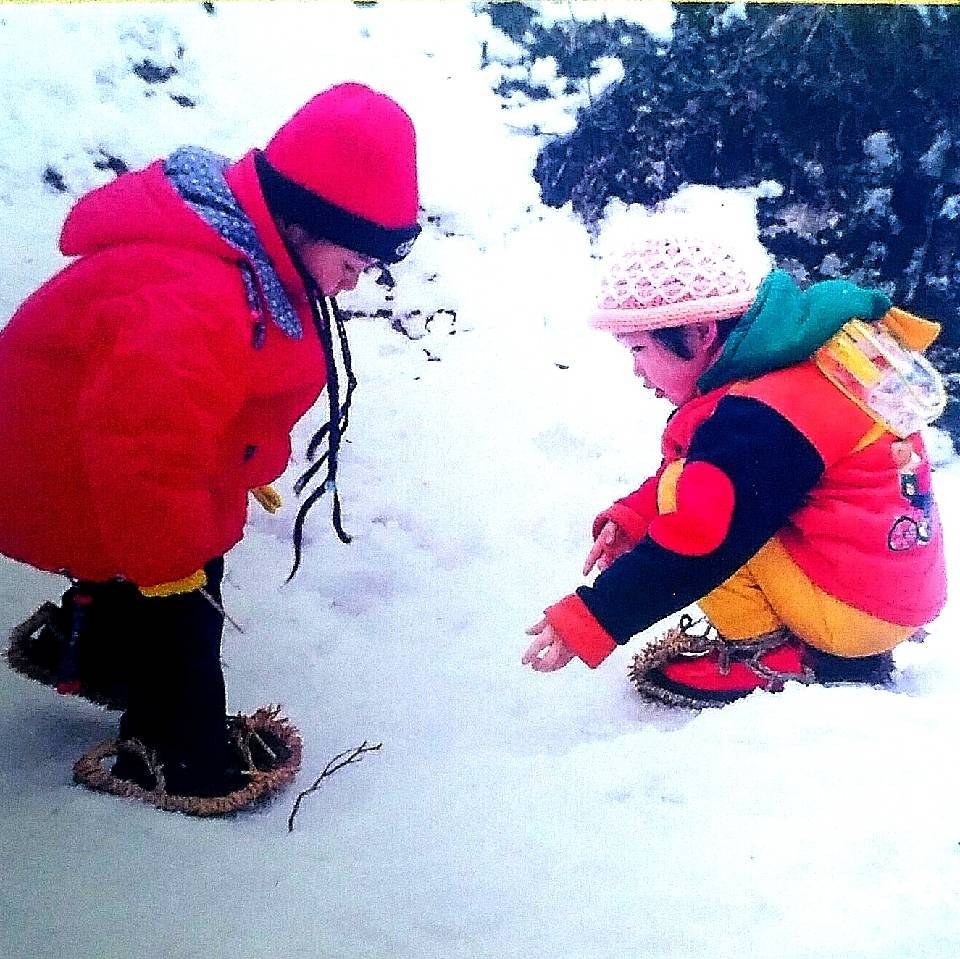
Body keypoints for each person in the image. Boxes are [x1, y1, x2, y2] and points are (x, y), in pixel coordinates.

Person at [0, 82, 421, 814]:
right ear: (303, 224)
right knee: (186, 583)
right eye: (353, 262)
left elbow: (211, 393)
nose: (356, 283)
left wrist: (238, 459)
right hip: (55, 470)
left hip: (92, 459)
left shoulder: (249, 260)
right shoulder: (191, 290)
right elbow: (141, 443)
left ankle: (94, 649)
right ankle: (173, 750)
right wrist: (171, 561)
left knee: (186, 542)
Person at [522, 228, 947, 708]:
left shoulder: (770, 410)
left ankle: (774, 657)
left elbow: (700, 536)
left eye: (638, 350)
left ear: (701, 333)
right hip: (894, 588)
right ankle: (825, 637)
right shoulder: (804, 360)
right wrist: (634, 519)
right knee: (708, 489)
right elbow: (720, 463)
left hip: (857, 614)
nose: (636, 371)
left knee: (692, 501)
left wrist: (592, 617)